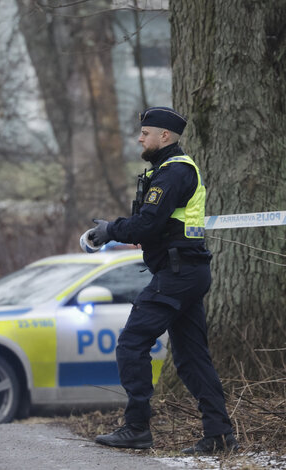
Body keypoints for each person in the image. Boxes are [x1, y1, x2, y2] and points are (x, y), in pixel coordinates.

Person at [84, 106, 238, 455]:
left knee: (131, 343)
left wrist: (110, 230)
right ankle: (219, 435)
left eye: (145, 133)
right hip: (185, 271)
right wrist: (115, 229)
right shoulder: (168, 170)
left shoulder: (174, 172)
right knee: (191, 358)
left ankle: (137, 428)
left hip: (178, 273)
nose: (140, 139)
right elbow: (153, 224)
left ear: (164, 136)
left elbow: (147, 225)